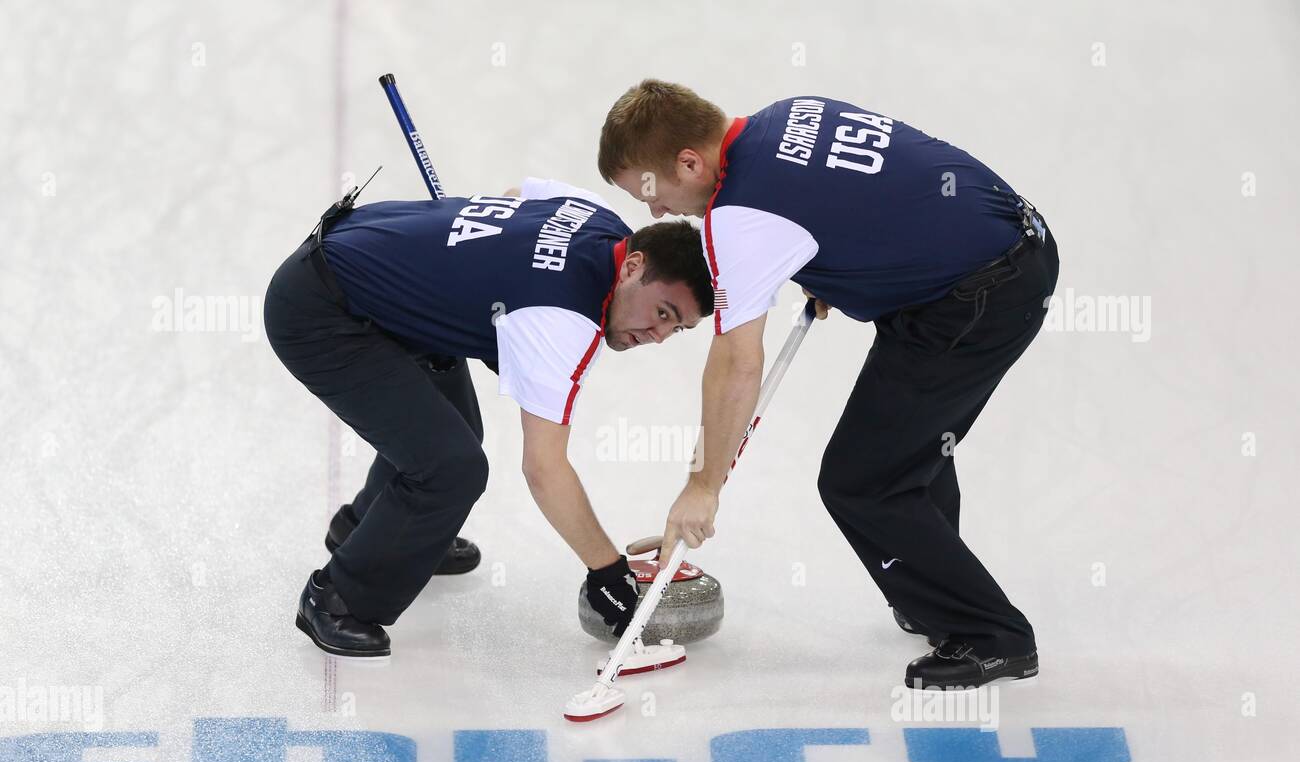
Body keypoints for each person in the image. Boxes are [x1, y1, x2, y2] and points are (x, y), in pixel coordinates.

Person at [598, 81, 1060, 690]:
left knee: (863, 480)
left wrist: (701, 485)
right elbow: (863, 193)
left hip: (979, 292)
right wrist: (841, 261)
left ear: (689, 162)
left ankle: (991, 636)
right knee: (906, 452)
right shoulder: (789, 113)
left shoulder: (738, 217)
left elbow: (736, 360)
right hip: (1007, 246)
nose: (655, 214)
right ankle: (933, 598)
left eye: (652, 193)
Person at [264, 177, 713, 659]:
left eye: (678, 328)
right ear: (634, 266)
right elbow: (544, 469)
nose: (659, 335)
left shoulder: (594, 215)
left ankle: (363, 530)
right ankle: (336, 599)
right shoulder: (564, 319)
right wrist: (607, 572)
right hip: (322, 312)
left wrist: (474, 287)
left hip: (370, 267)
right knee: (450, 468)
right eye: (663, 312)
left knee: (455, 429)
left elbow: (515, 197)